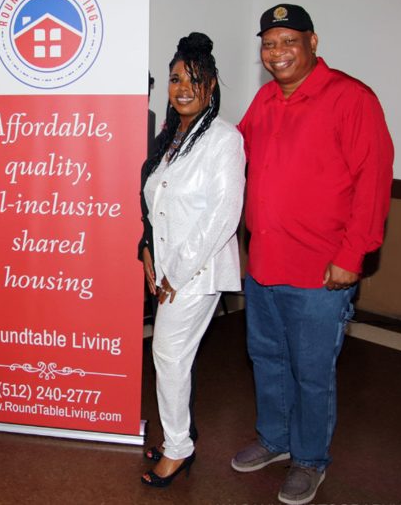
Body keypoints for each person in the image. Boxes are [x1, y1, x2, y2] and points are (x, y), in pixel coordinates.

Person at [231, 4, 394, 505]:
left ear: (313, 42)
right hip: (264, 264)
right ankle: (275, 439)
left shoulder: (351, 98)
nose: (276, 53)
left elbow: (373, 182)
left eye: (288, 42)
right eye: (268, 43)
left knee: (311, 370)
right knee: (267, 358)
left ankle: (309, 458)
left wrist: (353, 255)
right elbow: (233, 155)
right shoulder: (264, 100)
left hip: (321, 272)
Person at [140, 33, 245, 487]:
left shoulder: (224, 139)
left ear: (213, 84)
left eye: (194, 79)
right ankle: (180, 433)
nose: (182, 87)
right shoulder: (172, 138)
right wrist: (146, 247)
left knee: (167, 352)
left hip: (196, 272)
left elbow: (224, 216)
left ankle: (179, 447)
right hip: (166, 268)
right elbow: (153, 202)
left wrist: (175, 273)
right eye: (175, 78)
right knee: (173, 355)